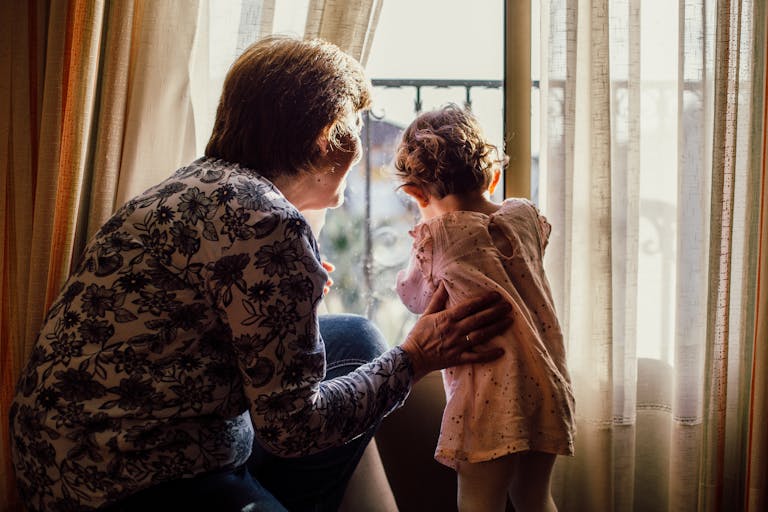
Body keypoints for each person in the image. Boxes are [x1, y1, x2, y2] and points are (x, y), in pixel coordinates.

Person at [8, 37, 512, 512]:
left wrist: (290, 296)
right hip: (132, 484)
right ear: (326, 137)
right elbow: (294, 427)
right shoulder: (269, 223)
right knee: (368, 365)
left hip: (55, 455)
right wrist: (417, 356)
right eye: (355, 126)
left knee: (356, 337)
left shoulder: (193, 184)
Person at [393, 104, 576, 512]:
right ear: (493, 176)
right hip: (546, 381)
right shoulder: (524, 215)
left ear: (415, 194)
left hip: (489, 399)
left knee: (479, 502)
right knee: (534, 498)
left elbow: (417, 298)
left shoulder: (436, 235)